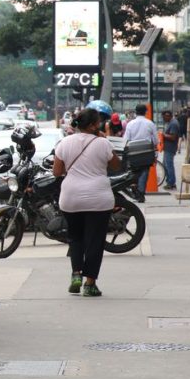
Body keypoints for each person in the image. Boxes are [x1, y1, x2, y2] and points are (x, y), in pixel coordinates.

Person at [52, 108, 122, 297]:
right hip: (98, 198)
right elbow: (116, 165)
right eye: (97, 122)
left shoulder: (64, 142)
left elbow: (57, 172)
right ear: (92, 125)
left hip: (71, 197)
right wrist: (102, 139)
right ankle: (90, 283)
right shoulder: (102, 143)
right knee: (95, 241)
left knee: (75, 238)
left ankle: (76, 274)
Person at [123, 104, 158, 201]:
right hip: (146, 151)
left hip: (133, 151)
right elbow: (155, 140)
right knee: (144, 171)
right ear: (145, 112)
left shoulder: (130, 124)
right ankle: (141, 192)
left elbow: (126, 139)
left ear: (135, 112)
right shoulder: (150, 123)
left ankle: (135, 187)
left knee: (134, 171)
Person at [161, 110, 181, 191]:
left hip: (170, 148)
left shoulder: (173, 124)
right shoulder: (171, 122)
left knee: (169, 165)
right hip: (167, 147)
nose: (163, 119)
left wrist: (163, 135)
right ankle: (169, 181)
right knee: (165, 165)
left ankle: (171, 183)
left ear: (168, 116)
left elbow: (173, 137)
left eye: (164, 117)